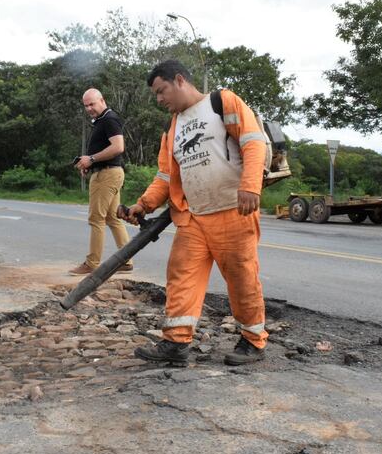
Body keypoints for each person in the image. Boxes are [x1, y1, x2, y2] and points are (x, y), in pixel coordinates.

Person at [118, 60, 268, 366]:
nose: (159, 99)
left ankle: (253, 340)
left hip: (233, 210)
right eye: (156, 95)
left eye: (162, 91)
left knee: (241, 278)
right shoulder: (171, 127)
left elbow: (253, 143)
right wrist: (143, 205)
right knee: (181, 276)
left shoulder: (221, 101)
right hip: (193, 216)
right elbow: (165, 176)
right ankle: (176, 343)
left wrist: (251, 186)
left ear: (180, 80)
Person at [69, 88, 133, 275]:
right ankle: (127, 260)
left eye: (92, 104)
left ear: (102, 100)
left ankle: (92, 263)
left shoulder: (109, 119)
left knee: (96, 219)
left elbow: (118, 147)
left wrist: (92, 159)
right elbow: (104, 149)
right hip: (107, 172)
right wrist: (87, 163)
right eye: (86, 105)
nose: (89, 108)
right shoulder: (101, 121)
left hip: (107, 175)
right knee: (113, 218)